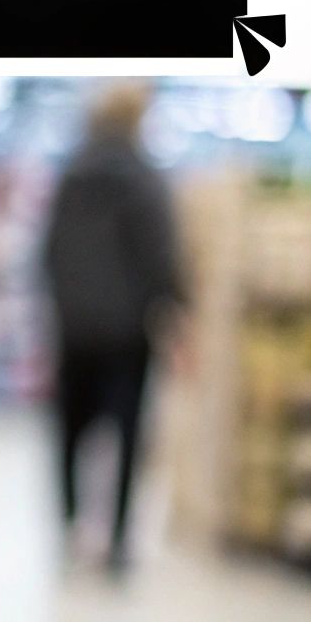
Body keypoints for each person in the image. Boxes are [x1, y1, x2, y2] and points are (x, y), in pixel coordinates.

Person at [41, 82, 180, 572]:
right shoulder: (147, 180)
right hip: (128, 331)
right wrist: (169, 306)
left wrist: (62, 306)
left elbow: (50, 250)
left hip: (75, 327)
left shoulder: (72, 174)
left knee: (69, 432)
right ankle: (118, 540)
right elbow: (161, 257)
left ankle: (70, 523)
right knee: (126, 435)